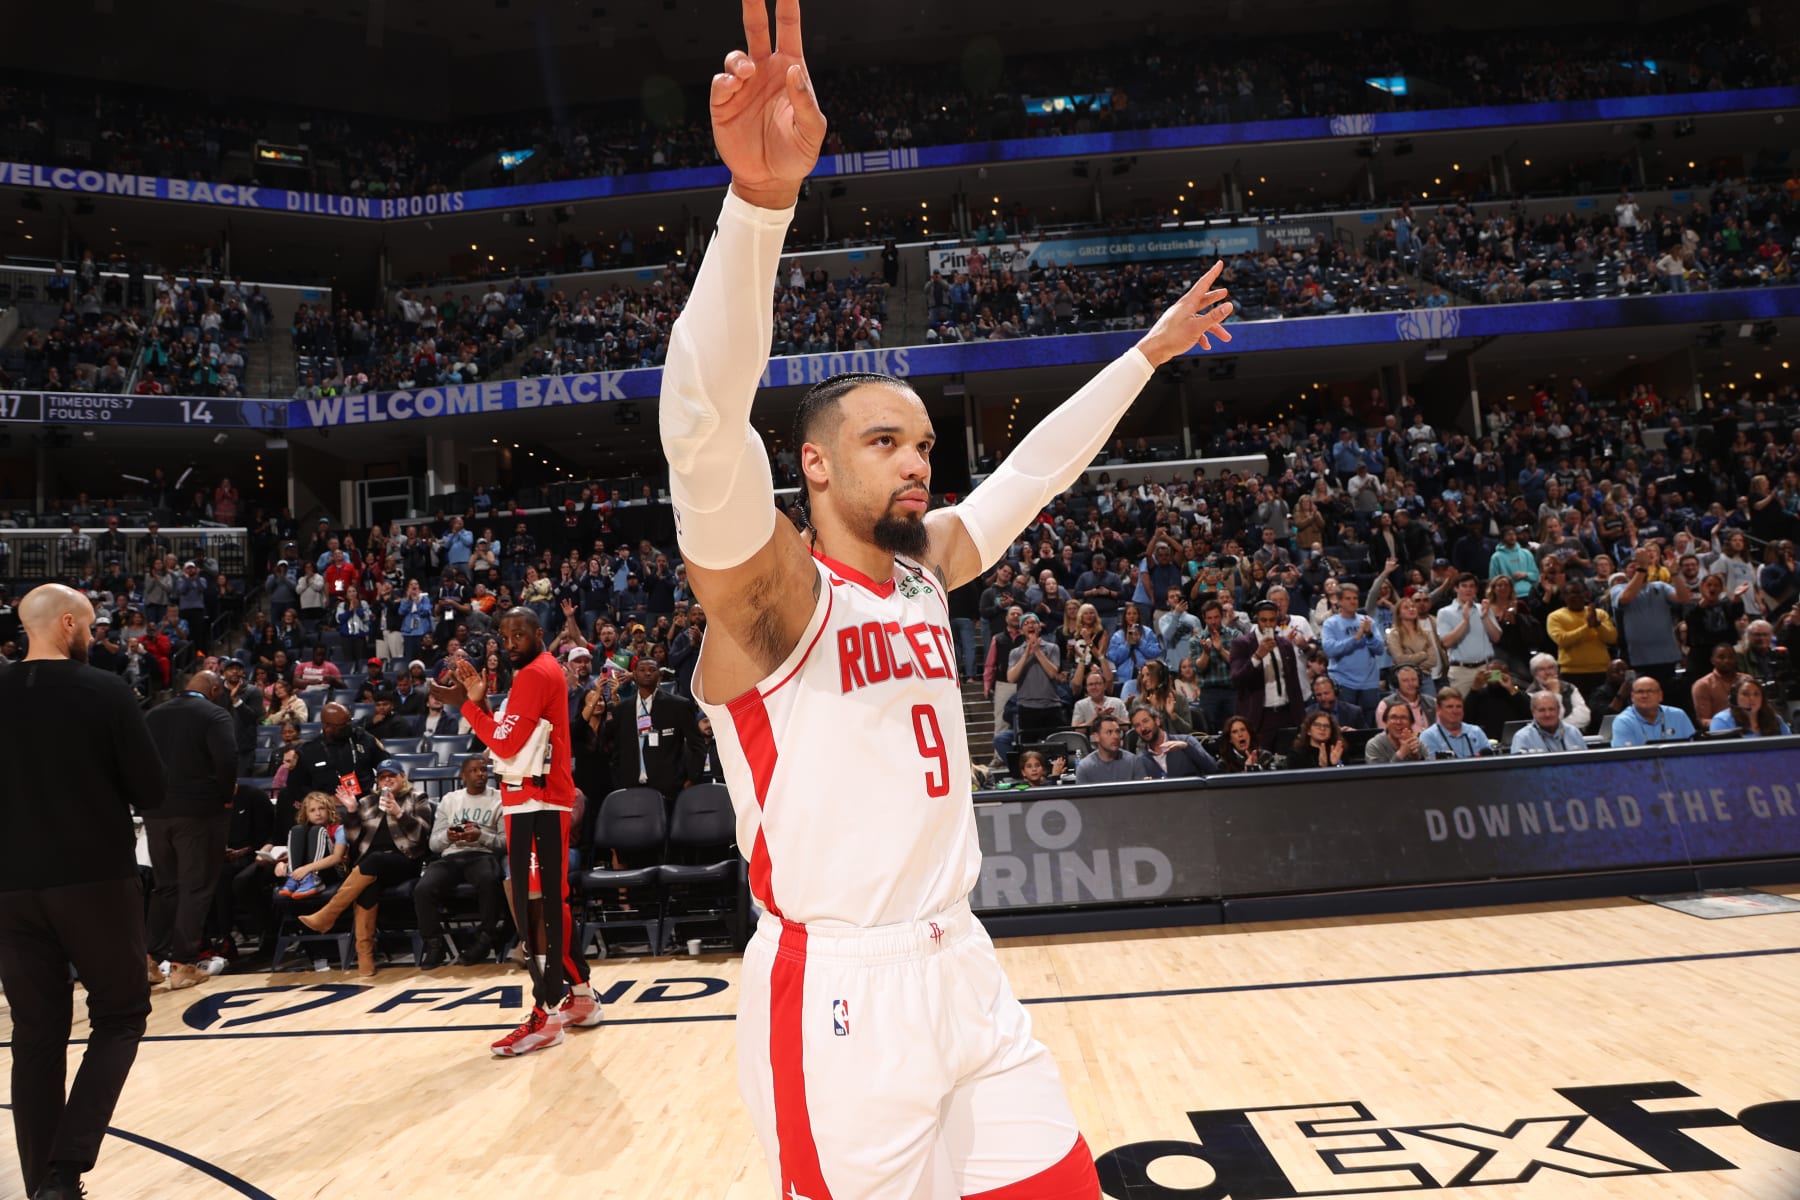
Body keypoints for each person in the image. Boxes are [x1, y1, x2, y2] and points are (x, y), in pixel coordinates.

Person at [662, 0, 1233, 1188]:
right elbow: (703, 421)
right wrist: (760, 207)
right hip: (838, 995)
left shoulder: (927, 567)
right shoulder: (771, 596)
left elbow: (1032, 473)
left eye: (923, 442)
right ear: (814, 463)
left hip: (963, 966)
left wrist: (1144, 356)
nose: (917, 460)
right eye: (884, 440)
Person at [0, 584, 164, 1200]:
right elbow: (151, 791)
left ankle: (47, 1184)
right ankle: (64, 1169)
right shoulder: (105, 691)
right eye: (90, 626)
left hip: (9, 886)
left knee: (36, 1033)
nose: (93, 637)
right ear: (67, 623)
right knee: (121, 1014)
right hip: (94, 877)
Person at [432, 608, 600, 1055]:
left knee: (534, 907)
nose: (510, 641)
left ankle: (545, 1015)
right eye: (504, 634)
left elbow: (504, 745)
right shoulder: (537, 673)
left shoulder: (533, 675)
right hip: (541, 799)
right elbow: (513, 736)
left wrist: (465, 705)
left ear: (540, 634)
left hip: (534, 802)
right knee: (549, 902)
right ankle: (580, 995)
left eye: (519, 632)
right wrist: (480, 699)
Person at [141, 669, 237, 989]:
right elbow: (227, 760)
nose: (222, 693)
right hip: (198, 812)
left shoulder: (152, 715)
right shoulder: (214, 714)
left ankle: (149, 962)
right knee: (195, 887)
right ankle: (183, 964)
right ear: (212, 689)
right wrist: (225, 797)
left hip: (156, 813)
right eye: (221, 689)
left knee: (164, 887)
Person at [296, 758, 433, 975]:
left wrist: (399, 813)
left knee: (374, 861)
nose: (387, 780)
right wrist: (351, 812)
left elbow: (422, 837)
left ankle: (328, 914)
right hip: (370, 867)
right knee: (367, 884)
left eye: (392, 776)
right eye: (383, 777)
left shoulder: (418, 798)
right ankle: (365, 958)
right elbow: (352, 840)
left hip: (404, 861)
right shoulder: (368, 802)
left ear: (402, 778)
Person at [415, 756, 506, 968]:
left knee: (489, 880)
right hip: (451, 856)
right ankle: (435, 944)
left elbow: (505, 842)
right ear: (463, 775)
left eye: (483, 770)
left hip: (483, 854)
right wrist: (449, 836)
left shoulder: (500, 799)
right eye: (474, 771)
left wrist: (481, 836)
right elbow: (434, 844)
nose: (480, 774)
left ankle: (484, 940)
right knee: (423, 888)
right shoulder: (450, 800)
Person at [1230, 599, 1307, 751]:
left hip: (1286, 714)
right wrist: (1257, 656)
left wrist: (1301, 719)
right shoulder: (1242, 644)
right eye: (1263, 620)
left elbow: (1294, 684)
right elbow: (1237, 679)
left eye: (1272, 620)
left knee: (1289, 762)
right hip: (1259, 715)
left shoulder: (1285, 645)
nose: (1268, 624)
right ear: (1256, 620)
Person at [1610, 547, 1691, 685]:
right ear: (1625, 572)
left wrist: (1675, 573)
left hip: (1666, 655)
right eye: (1633, 566)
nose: (1640, 568)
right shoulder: (1618, 588)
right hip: (1637, 658)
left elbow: (1683, 598)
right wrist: (1641, 568)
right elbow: (1626, 598)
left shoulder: (1660, 586)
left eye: (1644, 565)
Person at [1546, 578, 1618, 697]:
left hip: (1601, 671)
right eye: (1572, 593)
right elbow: (1563, 640)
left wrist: (1598, 625)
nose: (1577, 596)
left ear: (1586, 594)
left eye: (1579, 592)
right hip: (1572, 673)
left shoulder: (1599, 614)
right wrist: (1587, 627)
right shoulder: (1555, 617)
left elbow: (1612, 638)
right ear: (1564, 596)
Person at [1319, 582, 1384, 713]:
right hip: (1344, 683)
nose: (1353, 602)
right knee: (1346, 726)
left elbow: (1380, 649)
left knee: (1370, 727)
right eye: (1348, 598)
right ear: (1339, 601)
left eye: (1355, 598)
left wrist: (1369, 635)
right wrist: (1356, 638)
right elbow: (1330, 650)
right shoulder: (1330, 624)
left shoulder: (1367, 621)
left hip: (1369, 683)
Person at [1435, 573, 1502, 694]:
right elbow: (1446, 642)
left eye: (1471, 586)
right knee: (1463, 709)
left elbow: (1496, 638)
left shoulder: (1484, 608)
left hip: (1489, 667)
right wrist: (1465, 621)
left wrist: (1485, 616)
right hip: (1461, 671)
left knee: (1495, 706)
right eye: (1464, 586)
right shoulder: (1444, 612)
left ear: (1476, 589)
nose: (1468, 589)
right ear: (1456, 588)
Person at [1008, 612, 1068, 740]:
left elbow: (1052, 673)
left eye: (1034, 622)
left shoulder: (1053, 648)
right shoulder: (1015, 652)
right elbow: (1011, 678)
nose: (1030, 625)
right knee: (1029, 750)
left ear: (1039, 627)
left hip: (1051, 706)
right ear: (1021, 630)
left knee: (1055, 748)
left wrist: (1037, 651)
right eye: (1026, 623)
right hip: (1027, 708)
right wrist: (1026, 654)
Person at [1609, 676, 1697, 747]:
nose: (1645, 695)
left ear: (1660, 695)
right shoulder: (1623, 721)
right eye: (1640, 692)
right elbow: (1625, 759)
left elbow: (1693, 749)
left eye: (1650, 691)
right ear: (1632, 697)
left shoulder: (1678, 716)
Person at [1524, 652, 1592, 734]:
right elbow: (1550, 718)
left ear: (1556, 670)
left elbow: (1584, 716)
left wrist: (1560, 727)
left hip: (1573, 734)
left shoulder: (1569, 688)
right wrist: (1556, 693)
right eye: (1541, 669)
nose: (1547, 672)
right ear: (1534, 674)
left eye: (1550, 668)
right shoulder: (1531, 693)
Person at [1073, 713, 1146, 784]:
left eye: (1117, 732)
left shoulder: (1133, 762)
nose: (1116, 737)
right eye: (1109, 732)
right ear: (1096, 737)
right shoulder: (1085, 767)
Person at [1418, 687, 1487, 759]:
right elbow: (1433, 768)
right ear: (1438, 709)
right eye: (1449, 707)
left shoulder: (1476, 732)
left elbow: (1490, 760)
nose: (1455, 711)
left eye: (1459, 706)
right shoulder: (1428, 736)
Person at [1511, 689, 1588, 754]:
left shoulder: (1573, 732)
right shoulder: (1522, 737)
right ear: (1533, 712)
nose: (1547, 714)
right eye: (1542, 710)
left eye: (1551, 709)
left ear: (1558, 710)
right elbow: (1517, 771)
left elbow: (1586, 765)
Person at [1709, 677, 1791, 737]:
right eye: (1745, 694)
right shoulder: (1722, 721)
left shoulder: (1774, 719)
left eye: (1756, 694)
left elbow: (1790, 748)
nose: (1752, 698)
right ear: (1734, 698)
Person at [1689, 643, 1743, 725]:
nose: (1726, 660)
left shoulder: (1746, 680)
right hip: (1721, 732)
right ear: (1712, 660)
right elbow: (1703, 720)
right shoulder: (1702, 685)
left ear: (1736, 659)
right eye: (1721, 657)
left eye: (1731, 657)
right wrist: (1728, 726)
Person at [1068, 668, 1127, 735]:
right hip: (1089, 743)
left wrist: (1111, 717)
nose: (1094, 687)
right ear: (1086, 688)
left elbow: (1127, 727)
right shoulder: (1080, 705)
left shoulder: (1117, 702)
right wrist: (1096, 717)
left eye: (1097, 684)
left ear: (1104, 686)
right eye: (1090, 684)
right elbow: (1076, 730)